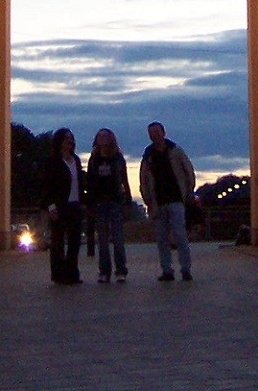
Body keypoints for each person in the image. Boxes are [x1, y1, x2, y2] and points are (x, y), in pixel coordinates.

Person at [139, 121, 196, 282]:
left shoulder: (175, 150)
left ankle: (185, 269)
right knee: (161, 238)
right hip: (158, 202)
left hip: (176, 198)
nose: (154, 136)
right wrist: (147, 198)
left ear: (163, 132)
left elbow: (188, 170)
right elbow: (143, 178)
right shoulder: (148, 155)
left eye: (156, 132)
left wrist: (189, 190)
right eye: (151, 133)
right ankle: (167, 270)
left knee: (179, 235)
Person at [84, 128, 130, 283]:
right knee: (102, 239)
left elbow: (124, 178)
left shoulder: (118, 158)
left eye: (106, 136)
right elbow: (90, 180)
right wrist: (89, 200)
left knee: (118, 238)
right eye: (100, 136)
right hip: (99, 201)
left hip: (115, 200)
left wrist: (128, 198)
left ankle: (121, 270)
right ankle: (104, 271)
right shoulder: (94, 159)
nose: (103, 139)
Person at [42, 127, 84, 285]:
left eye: (71, 138)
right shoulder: (53, 162)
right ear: (59, 141)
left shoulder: (76, 160)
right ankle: (59, 275)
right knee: (58, 241)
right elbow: (47, 185)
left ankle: (72, 273)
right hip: (60, 206)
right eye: (66, 138)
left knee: (74, 241)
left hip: (75, 205)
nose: (69, 141)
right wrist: (51, 206)